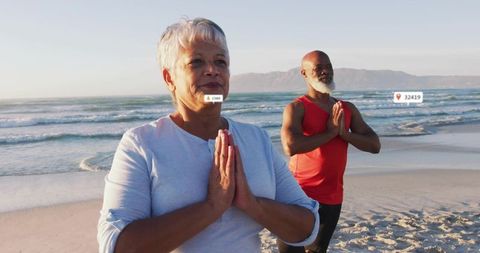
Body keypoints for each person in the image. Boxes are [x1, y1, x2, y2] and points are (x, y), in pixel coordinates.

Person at [97, 18, 320, 253]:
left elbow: (307, 228)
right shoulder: (142, 144)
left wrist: (252, 204)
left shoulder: (256, 139)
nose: (213, 70)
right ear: (169, 78)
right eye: (196, 62)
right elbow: (116, 245)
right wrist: (212, 206)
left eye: (221, 62)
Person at [277, 50, 381, 253]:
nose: (325, 71)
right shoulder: (297, 108)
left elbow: (374, 145)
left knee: (317, 250)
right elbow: (291, 146)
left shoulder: (346, 108)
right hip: (298, 194)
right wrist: (331, 132)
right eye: (318, 68)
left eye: (329, 67)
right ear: (304, 73)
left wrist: (345, 134)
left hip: (332, 196)